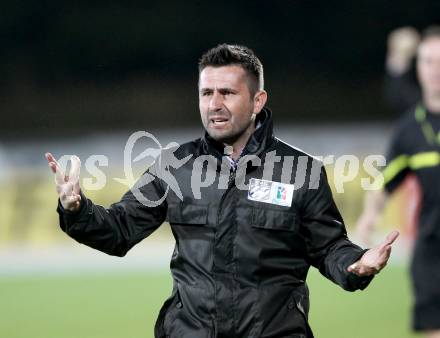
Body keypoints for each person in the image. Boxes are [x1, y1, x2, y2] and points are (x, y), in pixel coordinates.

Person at [46, 44, 398, 338]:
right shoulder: (174, 166)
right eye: (206, 93)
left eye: (227, 93)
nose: (214, 104)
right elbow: (119, 230)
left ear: (257, 101)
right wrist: (77, 209)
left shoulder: (302, 172)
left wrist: (355, 263)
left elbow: (329, 246)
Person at [357, 26, 440, 338]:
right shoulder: (410, 130)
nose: (435, 70)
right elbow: (384, 182)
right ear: (417, 68)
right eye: (428, 61)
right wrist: (369, 216)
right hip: (432, 251)